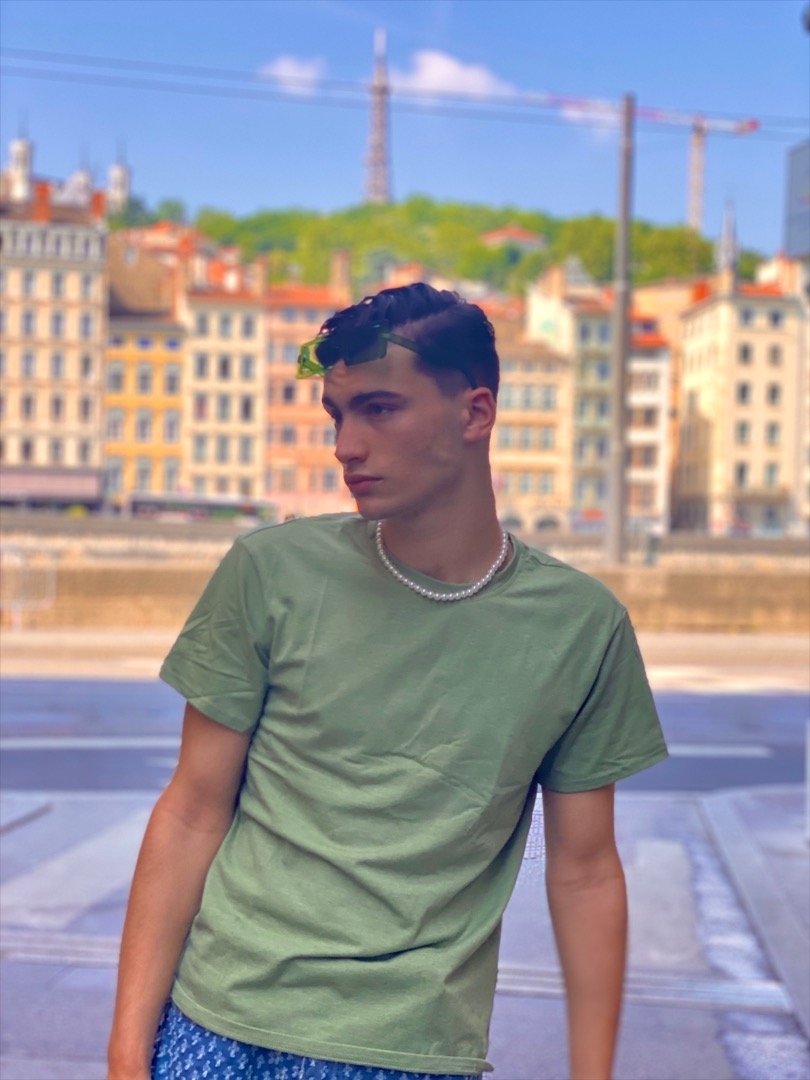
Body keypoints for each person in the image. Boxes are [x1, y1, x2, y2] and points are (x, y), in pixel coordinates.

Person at [108, 283, 668, 1080]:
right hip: (216, 1030)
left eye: (379, 409)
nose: (346, 445)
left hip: (413, 1050)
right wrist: (127, 1053)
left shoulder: (582, 626)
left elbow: (585, 871)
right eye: (336, 416)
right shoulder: (270, 572)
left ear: (475, 413)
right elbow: (193, 810)